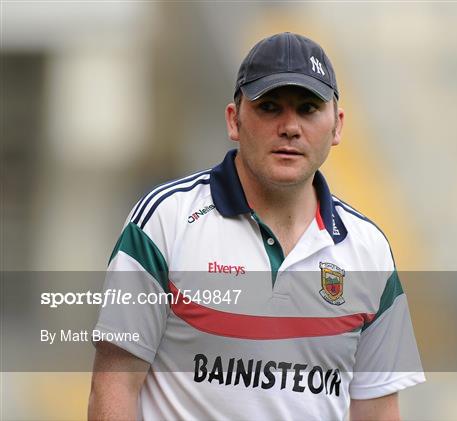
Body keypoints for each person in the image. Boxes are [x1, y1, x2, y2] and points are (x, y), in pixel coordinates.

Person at [88, 32, 425, 420]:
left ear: (337, 126)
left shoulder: (369, 250)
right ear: (234, 119)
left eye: (308, 108)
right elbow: (114, 385)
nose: (290, 127)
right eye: (269, 107)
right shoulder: (166, 221)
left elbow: (378, 411)